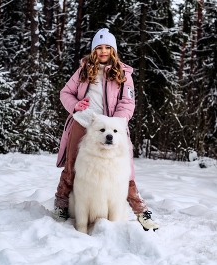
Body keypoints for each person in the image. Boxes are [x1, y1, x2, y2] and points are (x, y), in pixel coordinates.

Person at [53, 28, 160, 231]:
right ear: (94, 50)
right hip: (84, 122)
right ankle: (61, 205)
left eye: (108, 47)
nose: (103, 51)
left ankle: (141, 211)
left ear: (114, 50)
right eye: (99, 47)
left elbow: (128, 102)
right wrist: (75, 105)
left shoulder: (123, 73)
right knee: (72, 165)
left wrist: (117, 123)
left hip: (112, 127)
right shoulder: (83, 70)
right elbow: (65, 92)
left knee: (124, 170)